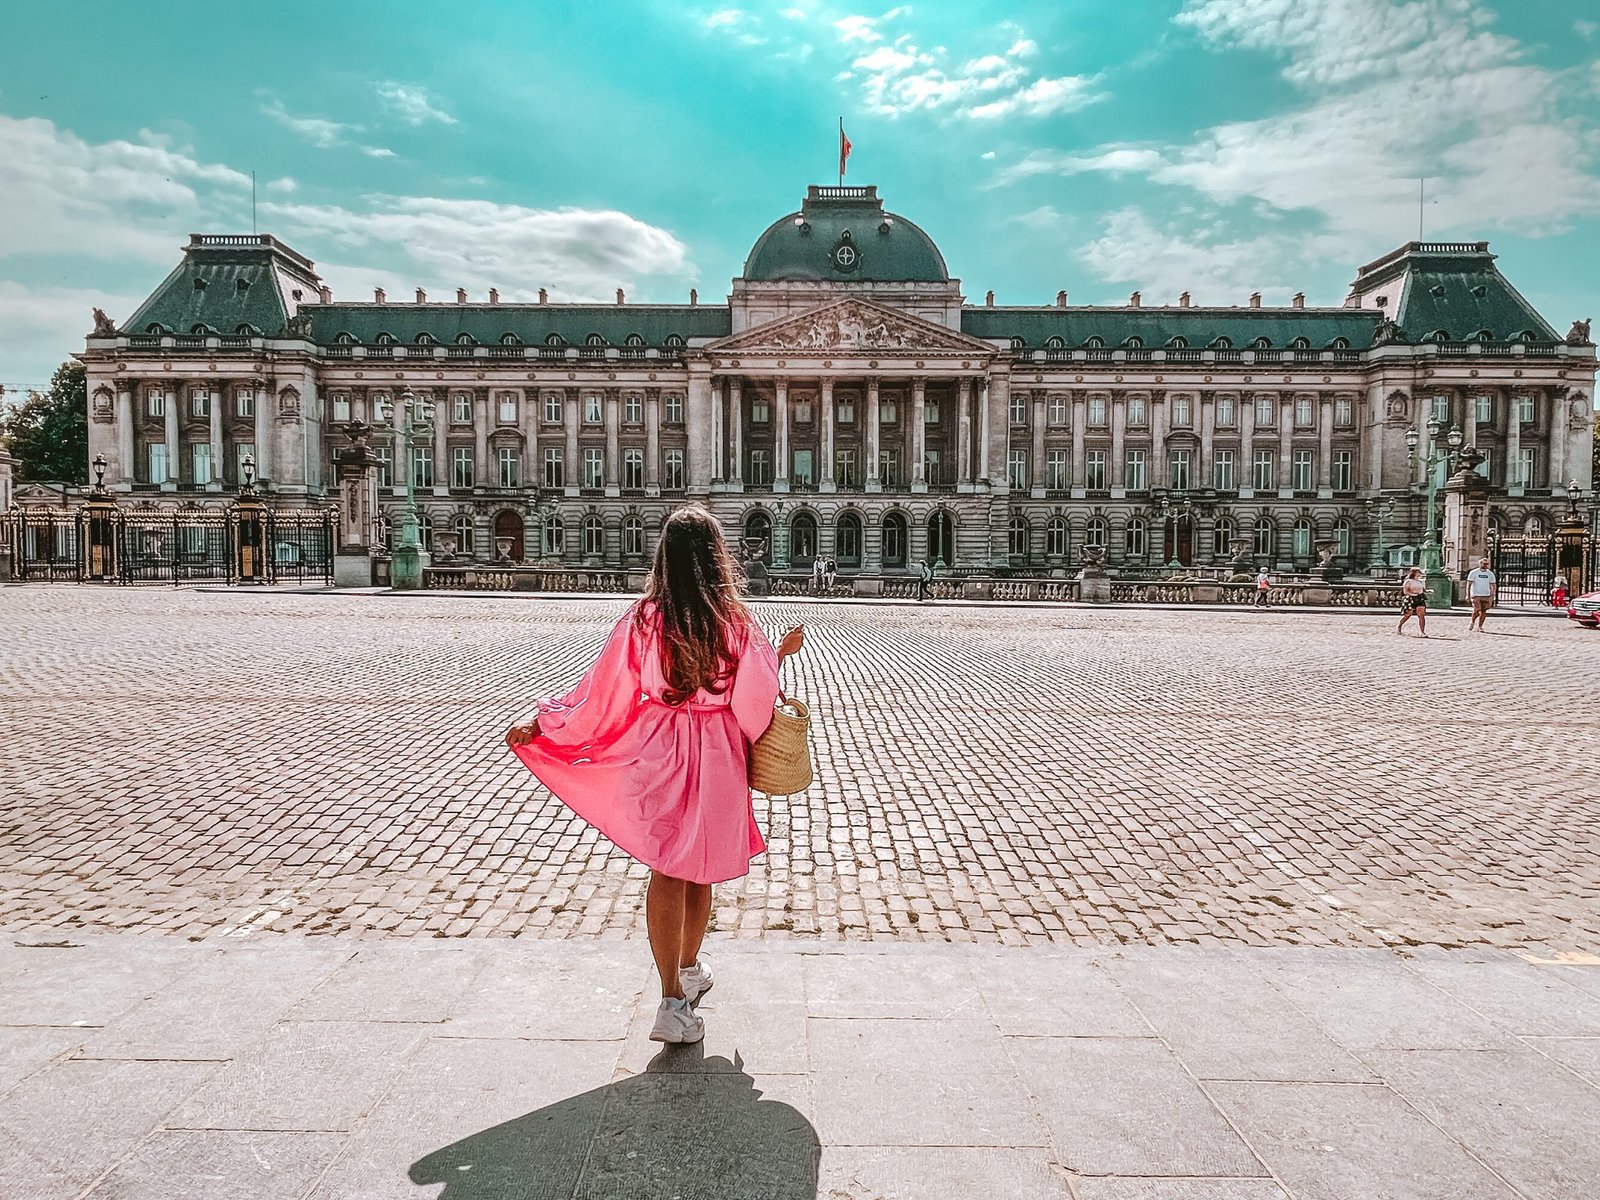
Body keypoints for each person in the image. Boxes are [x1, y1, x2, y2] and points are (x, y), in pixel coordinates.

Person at [504, 505, 805, 1045]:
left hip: (661, 747)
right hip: (716, 752)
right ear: (716, 557)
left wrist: (547, 725)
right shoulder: (732, 620)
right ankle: (686, 972)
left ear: (665, 557)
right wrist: (778, 655)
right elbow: (755, 702)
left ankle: (673, 993)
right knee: (701, 867)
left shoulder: (645, 617)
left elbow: (603, 695)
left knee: (668, 867)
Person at [1465, 556, 1496, 632]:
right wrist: (1467, 595)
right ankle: (1472, 622)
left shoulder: (1490, 574)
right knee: (1477, 609)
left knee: (1483, 611)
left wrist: (1493, 595)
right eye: (1484, 564)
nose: (1485, 565)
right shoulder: (1474, 572)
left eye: (1487, 564)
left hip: (1486, 595)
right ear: (1480, 564)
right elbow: (1469, 584)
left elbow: (1493, 585)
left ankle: (1480, 626)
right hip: (1476, 594)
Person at [1398, 566, 1428, 636]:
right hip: (1410, 599)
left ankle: (1422, 632)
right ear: (1414, 573)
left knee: (1421, 615)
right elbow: (1405, 591)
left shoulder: (1421, 581)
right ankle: (1399, 626)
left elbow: (1423, 590)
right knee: (1407, 615)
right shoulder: (1408, 581)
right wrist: (1413, 594)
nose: (1420, 574)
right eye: (1418, 572)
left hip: (1420, 598)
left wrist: (1427, 591)